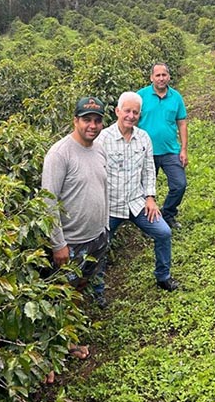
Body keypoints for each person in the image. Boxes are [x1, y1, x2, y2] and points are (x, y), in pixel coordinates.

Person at [41, 96, 109, 358]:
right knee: (62, 295)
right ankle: (59, 347)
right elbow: (48, 202)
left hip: (96, 239)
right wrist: (58, 244)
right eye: (86, 120)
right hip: (72, 243)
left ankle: (71, 335)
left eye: (97, 120)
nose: (92, 125)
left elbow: (103, 187)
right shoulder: (60, 154)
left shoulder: (99, 149)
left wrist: (104, 228)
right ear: (75, 121)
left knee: (80, 289)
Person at [96, 91, 179, 291]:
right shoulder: (103, 139)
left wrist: (150, 197)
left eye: (135, 112)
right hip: (110, 206)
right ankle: (97, 289)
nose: (131, 116)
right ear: (117, 111)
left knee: (163, 232)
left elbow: (149, 169)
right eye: (127, 111)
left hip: (136, 203)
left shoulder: (143, 138)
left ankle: (163, 276)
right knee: (99, 247)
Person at [137, 63, 188, 229]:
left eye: (164, 75)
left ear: (169, 77)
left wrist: (184, 149)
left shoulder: (176, 97)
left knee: (179, 185)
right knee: (143, 189)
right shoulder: (141, 96)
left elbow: (182, 123)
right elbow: (131, 121)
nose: (161, 78)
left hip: (169, 150)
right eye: (157, 75)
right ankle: (146, 220)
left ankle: (168, 214)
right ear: (151, 77)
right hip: (145, 152)